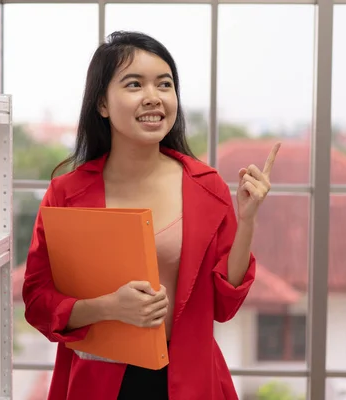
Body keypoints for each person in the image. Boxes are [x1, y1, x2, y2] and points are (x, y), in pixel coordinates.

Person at [22, 30, 280, 400]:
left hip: (191, 381)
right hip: (97, 383)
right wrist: (108, 307)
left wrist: (248, 220)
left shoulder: (206, 186)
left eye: (164, 84)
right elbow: (38, 302)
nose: (153, 97)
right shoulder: (67, 193)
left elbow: (223, 305)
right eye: (133, 84)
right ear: (102, 104)